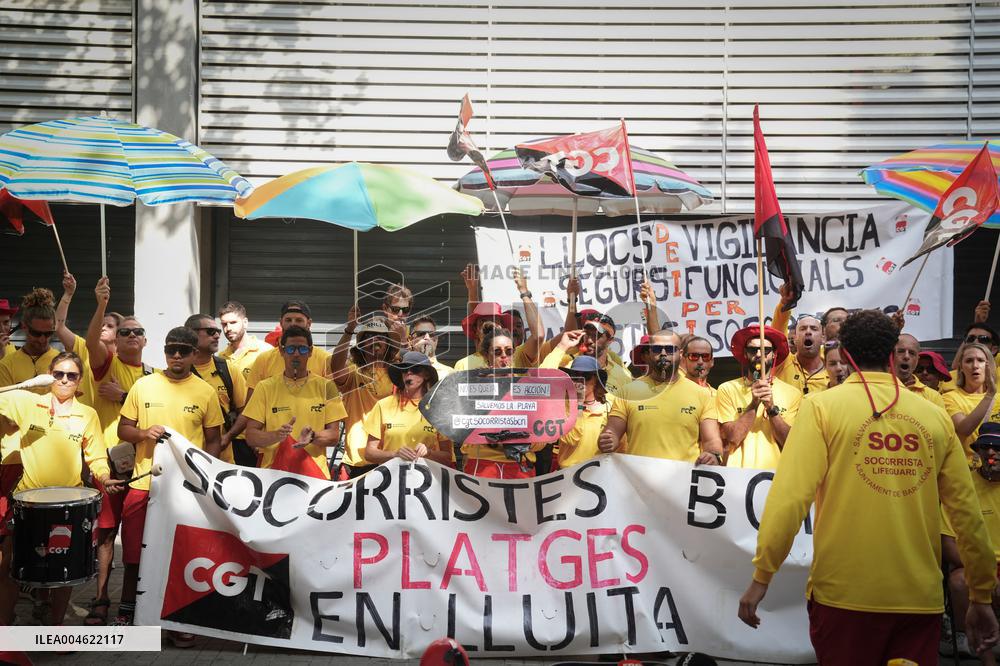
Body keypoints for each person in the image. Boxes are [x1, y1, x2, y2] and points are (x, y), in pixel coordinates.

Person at [737, 310, 999, 664]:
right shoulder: (933, 415)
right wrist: (981, 595)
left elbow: (789, 500)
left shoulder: (821, 408)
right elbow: (966, 513)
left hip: (843, 597)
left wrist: (762, 575)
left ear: (845, 356)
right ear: (893, 355)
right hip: (917, 600)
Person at [114, 326, 223, 640]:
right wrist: (142, 434)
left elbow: (214, 439)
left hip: (184, 491)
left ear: (194, 354)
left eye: (183, 350)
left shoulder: (205, 392)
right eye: (171, 349)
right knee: (133, 555)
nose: (176, 356)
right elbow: (124, 429)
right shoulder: (144, 386)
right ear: (163, 351)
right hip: (143, 485)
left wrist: (202, 471)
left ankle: (176, 622)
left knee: (179, 556)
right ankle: (126, 613)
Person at [0, 352, 124, 626]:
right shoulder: (27, 401)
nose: (65, 380)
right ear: (48, 375)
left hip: (69, 505)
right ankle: (4, 628)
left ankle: (56, 628)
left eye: (72, 375)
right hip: (27, 502)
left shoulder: (87, 413)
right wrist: (24, 385)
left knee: (63, 569)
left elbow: (96, 457)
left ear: (80, 381)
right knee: (9, 564)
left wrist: (104, 477)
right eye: (58, 374)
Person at [81, 277, 150, 626]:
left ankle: (128, 605)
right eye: (124, 332)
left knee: (136, 542)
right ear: (116, 339)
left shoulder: (155, 376)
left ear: (146, 340)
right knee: (106, 534)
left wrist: (124, 397)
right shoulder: (106, 363)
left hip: (142, 469)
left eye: (137, 332)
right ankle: (99, 599)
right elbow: (91, 340)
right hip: (107, 465)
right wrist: (101, 305)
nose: (131, 336)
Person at [598, 330, 724, 464]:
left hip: (682, 480)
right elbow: (611, 432)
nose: (663, 353)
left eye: (670, 349)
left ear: (680, 354)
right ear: (649, 353)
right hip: (638, 481)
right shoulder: (628, 392)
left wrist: (713, 455)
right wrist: (607, 440)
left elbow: (712, 441)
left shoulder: (702, 394)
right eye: (657, 349)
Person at [243, 326, 347, 478]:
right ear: (282, 351)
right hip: (273, 474)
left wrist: (313, 437)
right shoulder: (264, 387)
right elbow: (251, 436)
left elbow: (334, 435)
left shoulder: (327, 386)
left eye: (302, 350)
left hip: (314, 475)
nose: (297, 354)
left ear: (310, 351)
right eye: (291, 349)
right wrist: (276, 435)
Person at [941, 421, 1000, 657]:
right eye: (985, 447)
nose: (991, 453)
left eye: (997, 447)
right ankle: (966, 638)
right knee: (958, 582)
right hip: (974, 566)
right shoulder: (964, 485)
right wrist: (983, 573)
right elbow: (947, 543)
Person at [462, 326, 545, 478]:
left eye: (509, 351)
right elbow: (462, 433)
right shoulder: (472, 387)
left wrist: (525, 442)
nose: (504, 356)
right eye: (497, 352)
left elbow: (542, 437)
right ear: (487, 355)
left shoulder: (526, 387)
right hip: (483, 466)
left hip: (520, 466)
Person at [716, 326, 800, 470]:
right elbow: (732, 438)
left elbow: (791, 443)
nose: (759, 354)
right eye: (752, 350)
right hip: (738, 474)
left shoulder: (793, 393)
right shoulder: (727, 389)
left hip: (778, 474)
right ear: (745, 353)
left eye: (766, 350)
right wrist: (754, 404)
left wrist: (771, 408)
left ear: (774, 354)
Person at [332, 308, 397, 479]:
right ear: (361, 344)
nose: (376, 340)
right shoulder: (354, 372)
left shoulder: (398, 374)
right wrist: (349, 331)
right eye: (370, 336)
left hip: (390, 460)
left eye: (382, 337)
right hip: (356, 461)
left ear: (388, 344)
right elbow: (335, 368)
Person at [541, 331, 615, 470]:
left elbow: (622, 446)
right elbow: (571, 438)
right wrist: (562, 346)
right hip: (568, 476)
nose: (579, 381)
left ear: (596, 380)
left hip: (603, 475)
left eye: (585, 376)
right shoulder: (564, 403)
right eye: (574, 376)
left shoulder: (612, 403)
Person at [364, 351, 452, 467]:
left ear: (426, 375)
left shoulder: (438, 409)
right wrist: (395, 454)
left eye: (415, 369)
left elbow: (448, 458)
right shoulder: (383, 405)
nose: (409, 373)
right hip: (391, 480)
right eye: (405, 369)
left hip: (427, 480)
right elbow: (369, 453)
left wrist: (429, 453)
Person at [184, 314, 249, 465]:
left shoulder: (228, 370)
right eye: (210, 331)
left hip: (223, 461)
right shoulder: (179, 370)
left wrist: (228, 436)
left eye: (218, 332)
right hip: (185, 457)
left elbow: (246, 412)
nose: (217, 336)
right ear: (191, 334)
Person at [246, 300, 331, 392]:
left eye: (299, 320)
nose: (293, 324)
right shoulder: (264, 360)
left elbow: (333, 400)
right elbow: (252, 401)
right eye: (288, 320)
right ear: (281, 322)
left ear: (309, 323)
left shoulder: (325, 359)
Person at [943, 342, 1000, 460]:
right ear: (961, 367)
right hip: (967, 473)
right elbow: (964, 429)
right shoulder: (949, 398)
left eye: (980, 360)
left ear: (989, 365)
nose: (975, 365)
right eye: (969, 361)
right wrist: (990, 395)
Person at [0, 288, 60, 390]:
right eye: (36, 333)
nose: (42, 339)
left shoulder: (62, 362)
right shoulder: (7, 364)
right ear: (24, 327)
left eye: (48, 334)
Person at [218, 300, 271, 381]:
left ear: (245, 322)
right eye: (224, 324)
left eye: (233, 322)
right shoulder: (221, 357)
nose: (228, 328)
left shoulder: (265, 351)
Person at [893, 333, 946, 409]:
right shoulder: (878, 387)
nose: (906, 356)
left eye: (912, 353)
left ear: (917, 359)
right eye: (901, 351)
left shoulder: (933, 397)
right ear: (891, 355)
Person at [408, 315, 454, 380]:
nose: (427, 337)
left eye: (431, 334)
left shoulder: (449, 374)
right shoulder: (404, 372)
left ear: (436, 341)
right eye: (421, 334)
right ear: (410, 340)